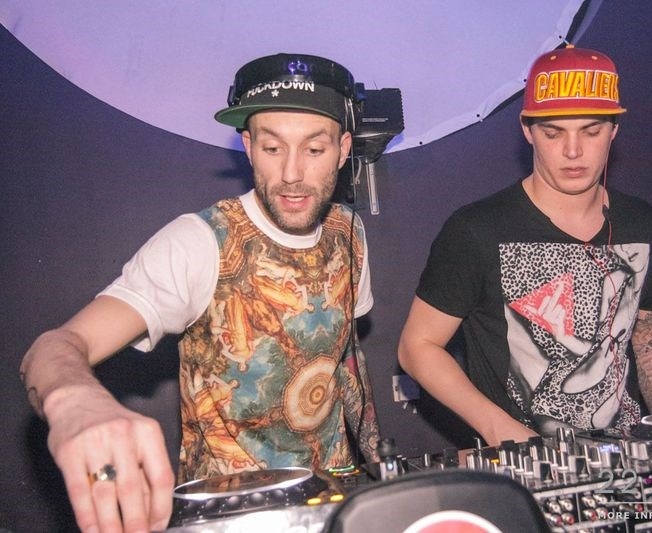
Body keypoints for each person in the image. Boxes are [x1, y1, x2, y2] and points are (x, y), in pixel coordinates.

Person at [19, 53, 381, 533]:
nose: (292, 172)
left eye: (314, 149)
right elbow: (54, 348)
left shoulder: (348, 232)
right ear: (248, 146)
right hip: (229, 517)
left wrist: (378, 465)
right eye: (273, 148)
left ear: (342, 149)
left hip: (336, 505)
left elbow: (345, 359)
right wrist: (74, 402)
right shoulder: (199, 242)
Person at [398, 45, 652, 447]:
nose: (573, 151)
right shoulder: (476, 230)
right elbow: (417, 346)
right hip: (523, 463)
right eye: (553, 132)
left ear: (614, 129)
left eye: (591, 131)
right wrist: (501, 431)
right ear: (527, 130)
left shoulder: (642, 223)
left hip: (624, 454)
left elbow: (649, 328)